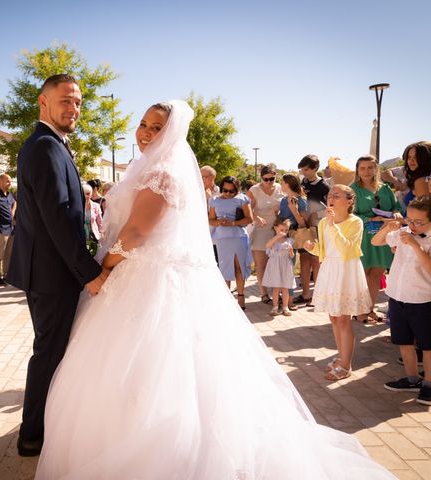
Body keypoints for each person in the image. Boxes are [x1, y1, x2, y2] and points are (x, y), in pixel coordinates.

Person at [35, 100, 395, 479]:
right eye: (143, 124)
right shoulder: (149, 168)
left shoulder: (163, 174)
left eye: (156, 127)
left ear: (171, 134)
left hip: (147, 278)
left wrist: (102, 268)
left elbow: (138, 233)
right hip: (139, 275)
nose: (144, 132)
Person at [6, 74, 107, 457]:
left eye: (78, 102)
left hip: (50, 269)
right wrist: (91, 273)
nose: (73, 108)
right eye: (66, 100)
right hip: (51, 273)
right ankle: (32, 434)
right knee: (49, 352)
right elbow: (59, 217)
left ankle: (45, 423)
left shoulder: (51, 145)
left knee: (53, 350)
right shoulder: (45, 146)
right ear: (42, 102)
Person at [304, 185, 372, 381]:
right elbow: (325, 250)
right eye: (330, 195)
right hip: (330, 270)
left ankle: (346, 365)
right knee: (334, 318)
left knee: (344, 319)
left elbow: (348, 250)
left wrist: (334, 225)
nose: (331, 198)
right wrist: (313, 248)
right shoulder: (324, 222)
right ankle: (341, 357)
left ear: (350, 201)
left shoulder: (355, 222)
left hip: (346, 270)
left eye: (337, 195)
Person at [372, 196, 431, 405]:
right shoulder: (403, 233)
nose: (413, 225)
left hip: (422, 299)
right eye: (410, 220)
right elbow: (376, 241)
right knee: (404, 341)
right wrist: (387, 229)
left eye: (419, 222)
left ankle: (429, 385)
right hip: (397, 296)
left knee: (427, 345)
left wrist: (416, 246)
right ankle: (412, 378)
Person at [350, 155, 402, 323]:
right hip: (363, 236)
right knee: (363, 274)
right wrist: (370, 219)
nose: (366, 171)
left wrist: (396, 213)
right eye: (362, 168)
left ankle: (369, 309)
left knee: (377, 273)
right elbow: (350, 214)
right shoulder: (353, 189)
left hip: (384, 235)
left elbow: (396, 207)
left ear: (376, 169)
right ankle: (359, 310)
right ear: (357, 170)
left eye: (370, 167)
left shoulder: (385, 188)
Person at [208, 176, 253, 310]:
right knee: (224, 268)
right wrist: (219, 222)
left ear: (236, 189)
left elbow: (249, 219)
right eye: (224, 190)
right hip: (222, 238)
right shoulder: (214, 200)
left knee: (238, 266)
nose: (227, 193)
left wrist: (233, 223)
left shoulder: (242, 199)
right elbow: (211, 220)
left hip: (238, 237)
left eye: (231, 191)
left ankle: (240, 297)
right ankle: (226, 300)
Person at [294, 154, 329, 306]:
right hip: (304, 227)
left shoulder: (325, 186)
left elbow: (331, 208)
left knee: (316, 260)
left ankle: (317, 295)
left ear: (315, 168)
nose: (304, 172)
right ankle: (306, 294)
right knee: (304, 260)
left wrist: (316, 214)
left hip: (318, 227)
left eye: (306, 169)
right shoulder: (303, 183)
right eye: (302, 169)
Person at [246, 164, 283, 304]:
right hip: (260, 230)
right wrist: (255, 217)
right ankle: (263, 294)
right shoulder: (254, 190)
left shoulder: (280, 188)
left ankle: (277, 293)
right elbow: (246, 207)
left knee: (275, 263)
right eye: (265, 179)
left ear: (276, 176)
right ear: (261, 178)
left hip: (276, 231)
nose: (268, 182)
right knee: (261, 265)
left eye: (271, 179)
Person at [277, 173, 309, 310]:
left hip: (294, 236)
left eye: (282, 182)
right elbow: (282, 219)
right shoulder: (283, 200)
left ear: (287, 184)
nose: (280, 185)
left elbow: (304, 223)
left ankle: (289, 300)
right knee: (283, 267)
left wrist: (294, 211)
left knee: (289, 267)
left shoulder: (301, 201)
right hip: (282, 237)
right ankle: (284, 297)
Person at [262, 218, 296, 316]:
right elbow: (267, 246)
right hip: (275, 266)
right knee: (276, 288)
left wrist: (291, 252)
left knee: (285, 288)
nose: (284, 232)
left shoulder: (289, 241)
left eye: (286, 230)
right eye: (282, 230)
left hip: (285, 266)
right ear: (276, 228)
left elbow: (292, 256)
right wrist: (276, 237)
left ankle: (285, 307)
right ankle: (275, 307)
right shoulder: (273, 240)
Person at [402, 141, 431, 208]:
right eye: (409, 157)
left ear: (424, 158)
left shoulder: (422, 181)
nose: (411, 160)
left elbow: (424, 215)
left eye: (416, 157)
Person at [200, 165, 220, 265]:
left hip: (216, 237)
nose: (201, 179)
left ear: (213, 177)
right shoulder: (195, 193)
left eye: (204, 177)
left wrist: (210, 199)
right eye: (200, 176)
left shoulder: (221, 193)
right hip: (200, 237)